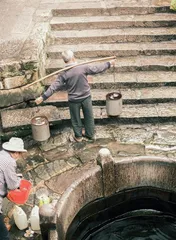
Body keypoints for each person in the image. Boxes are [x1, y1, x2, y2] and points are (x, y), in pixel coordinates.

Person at [35, 50, 116, 142]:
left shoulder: (63, 73)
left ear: (64, 61)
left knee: (75, 119)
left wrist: (43, 97)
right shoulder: (82, 67)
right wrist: (109, 64)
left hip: (74, 100)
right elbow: (97, 68)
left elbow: (54, 87)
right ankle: (90, 134)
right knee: (89, 116)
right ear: (73, 58)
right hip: (86, 97)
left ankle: (78, 137)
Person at [0, 137, 27, 240]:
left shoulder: (1, 154)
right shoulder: (10, 161)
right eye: (20, 153)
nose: (20, 156)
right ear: (16, 152)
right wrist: (19, 180)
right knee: (4, 235)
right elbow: (12, 186)